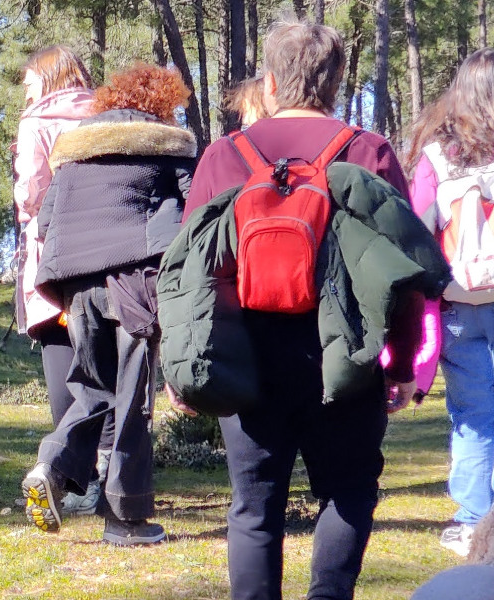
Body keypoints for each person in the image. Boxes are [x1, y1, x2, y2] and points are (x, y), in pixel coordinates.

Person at [175, 22, 448, 600]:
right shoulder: (367, 150)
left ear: (269, 82)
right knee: (347, 489)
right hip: (345, 354)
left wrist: (182, 368)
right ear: (338, 83)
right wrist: (399, 365)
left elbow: (188, 277)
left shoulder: (224, 156)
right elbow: (401, 273)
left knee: (254, 504)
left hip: (247, 356)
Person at [18, 63, 195, 546]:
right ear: (161, 102)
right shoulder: (167, 144)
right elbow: (192, 211)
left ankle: (51, 465)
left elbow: (45, 219)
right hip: (136, 278)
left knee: (93, 389)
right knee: (133, 397)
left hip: (76, 284)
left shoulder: (74, 150)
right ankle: (126, 519)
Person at [406, 49, 494, 557]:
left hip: (458, 302)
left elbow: (417, 231)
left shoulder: (437, 156)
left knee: (472, 411)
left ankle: (471, 520)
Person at [12, 45, 101, 515]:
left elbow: (31, 194)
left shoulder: (38, 124)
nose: (25, 93)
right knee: (107, 368)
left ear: (47, 80)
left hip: (55, 258)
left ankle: (68, 478)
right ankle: (110, 477)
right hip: (110, 257)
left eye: (28, 83)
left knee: (62, 361)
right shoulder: (109, 115)